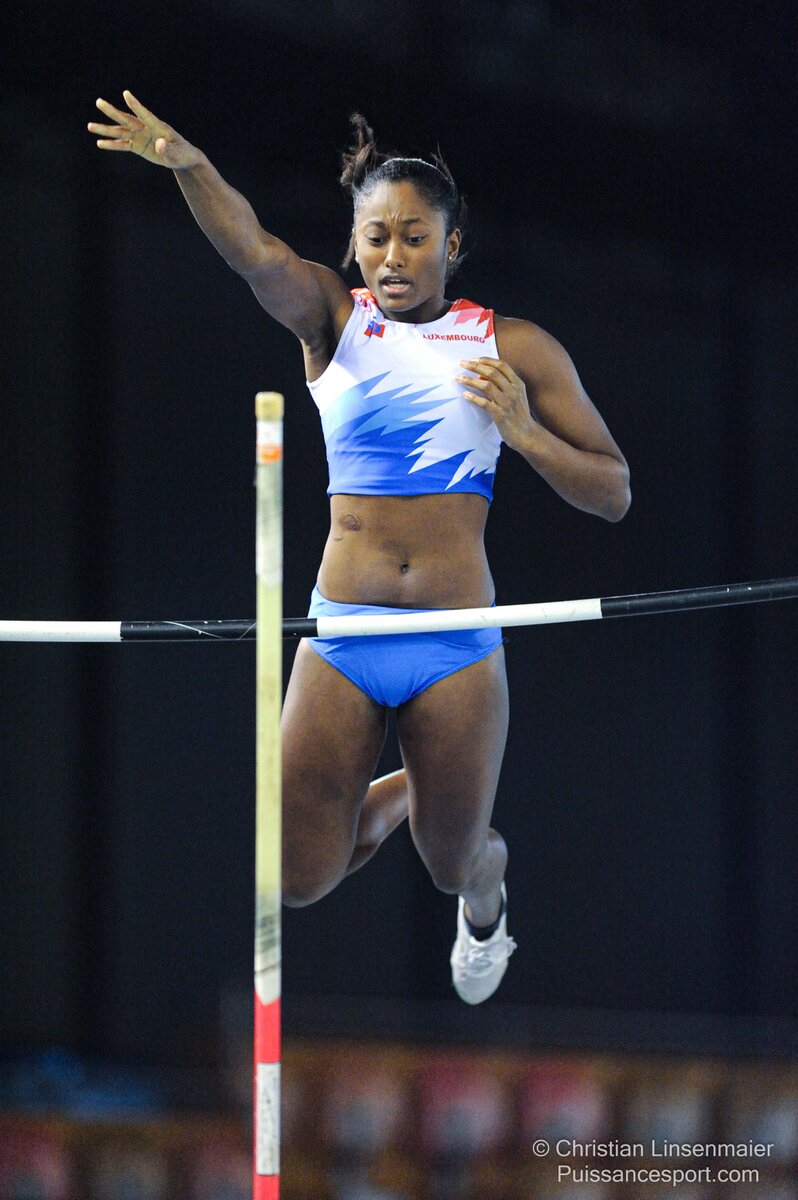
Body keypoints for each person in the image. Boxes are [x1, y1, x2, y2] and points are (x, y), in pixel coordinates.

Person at [88, 93, 631, 1004]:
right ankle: (423, 779)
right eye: (376, 237)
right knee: (297, 879)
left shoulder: (512, 346)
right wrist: (189, 164)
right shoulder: (333, 321)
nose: (393, 257)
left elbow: (614, 493)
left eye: (415, 238)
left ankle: (487, 892)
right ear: (354, 243)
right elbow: (253, 251)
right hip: (344, 633)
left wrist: (526, 434)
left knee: (453, 863)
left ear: (452, 245)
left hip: (454, 643)